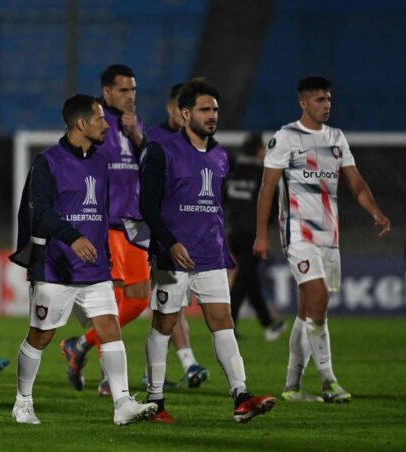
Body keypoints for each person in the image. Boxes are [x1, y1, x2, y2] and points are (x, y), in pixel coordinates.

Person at [10, 94, 157, 425]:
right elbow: (40, 213)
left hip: (94, 269)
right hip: (54, 268)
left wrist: (105, 256)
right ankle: (22, 401)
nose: (106, 124)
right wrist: (71, 237)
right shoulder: (47, 162)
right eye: (100, 119)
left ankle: (122, 404)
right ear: (81, 123)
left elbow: (101, 216)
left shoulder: (100, 163)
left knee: (110, 327)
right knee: (41, 335)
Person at [61, 67, 207, 395]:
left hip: (133, 225)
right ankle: (107, 380)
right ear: (107, 91)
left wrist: (139, 138)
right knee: (110, 303)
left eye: (134, 90)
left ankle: (79, 345)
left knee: (138, 301)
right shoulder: (95, 123)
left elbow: (149, 168)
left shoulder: (134, 125)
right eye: (124, 90)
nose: (130, 96)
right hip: (105, 225)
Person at [139, 79, 275, 423]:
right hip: (171, 258)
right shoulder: (161, 151)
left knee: (223, 322)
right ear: (185, 114)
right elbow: (147, 207)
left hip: (211, 255)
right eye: (204, 109)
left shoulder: (221, 155)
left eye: (214, 109)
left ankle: (241, 397)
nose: (212, 115)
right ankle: (156, 401)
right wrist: (170, 243)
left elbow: (217, 204)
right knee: (164, 325)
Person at [253, 76, 390, 403]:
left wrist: (375, 211)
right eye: (319, 100)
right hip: (298, 233)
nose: (326, 105)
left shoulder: (336, 138)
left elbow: (355, 182)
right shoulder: (285, 137)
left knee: (307, 309)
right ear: (303, 102)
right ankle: (329, 381)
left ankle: (292, 386)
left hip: (329, 235)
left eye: (328, 99)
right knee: (319, 299)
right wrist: (261, 234)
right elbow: (267, 188)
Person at [226, 132, 284, 340]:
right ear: (260, 151)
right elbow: (273, 205)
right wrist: (265, 230)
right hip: (253, 233)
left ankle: (269, 324)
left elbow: (222, 199)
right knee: (245, 277)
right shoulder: (263, 175)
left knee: (250, 277)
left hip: (232, 232)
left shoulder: (231, 172)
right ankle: (228, 324)